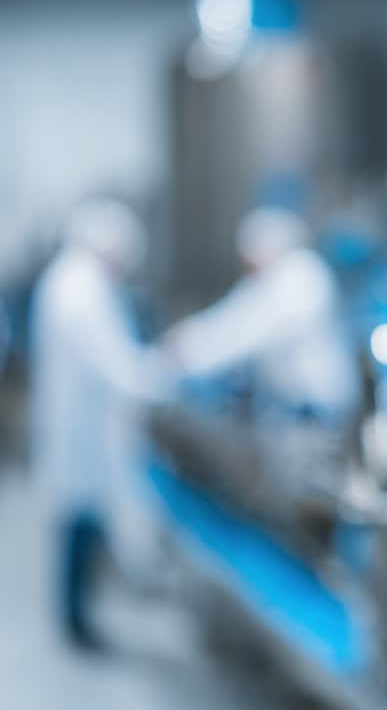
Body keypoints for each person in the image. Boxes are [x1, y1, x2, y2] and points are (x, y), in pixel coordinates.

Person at [30, 199, 169, 649]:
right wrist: (157, 378)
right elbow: (111, 358)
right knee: (79, 519)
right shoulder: (80, 287)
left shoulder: (73, 280)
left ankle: (78, 616)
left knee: (81, 516)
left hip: (81, 420)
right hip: (80, 425)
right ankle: (76, 622)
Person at [164, 207, 358, 427]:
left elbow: (252, 332)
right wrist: (187, 336)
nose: (246, 264)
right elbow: (232, 314)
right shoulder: (270, 279)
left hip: (315, 407)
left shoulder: (302, 276)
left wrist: (192, 357)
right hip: (287, 406)